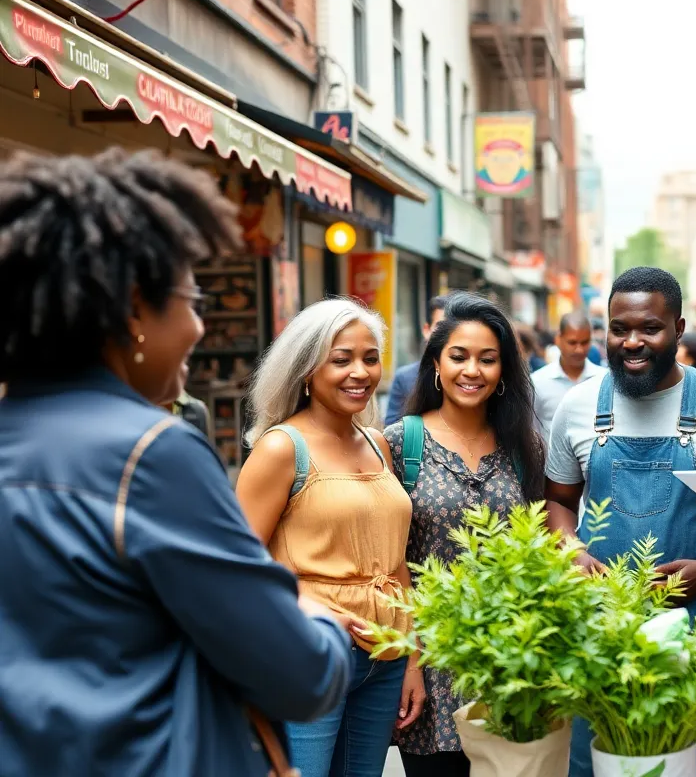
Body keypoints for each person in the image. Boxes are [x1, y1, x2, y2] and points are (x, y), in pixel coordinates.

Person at [0, 149, 353, 777]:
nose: (198, 326)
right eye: (192, 299)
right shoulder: (152, 453)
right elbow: (300, 674)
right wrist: (315, 613)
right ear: (136, 308)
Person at [544, 267, 696, 777]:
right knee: (593, 756)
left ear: (678, 329)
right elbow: (557, 501)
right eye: (619, 329)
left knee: (692, 755)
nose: (631, 342)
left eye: (649, 329)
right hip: (598, 625)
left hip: (695, 623)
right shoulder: (577, 407)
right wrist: (570, 547)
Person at [237, 297, 421, 777]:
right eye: (341, 359)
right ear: (306, 370)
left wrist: (414, 655)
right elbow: (237, 560)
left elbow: (395, 560)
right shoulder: (282, 448)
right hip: (313, 650)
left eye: (369, 357)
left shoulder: (378, 443)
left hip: (387, 654)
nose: (360, 372)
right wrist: (308, 606)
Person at [383, 292, 547, 777]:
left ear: (504, 372)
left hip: (507, 662)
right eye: (458, 356)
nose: (471, 370)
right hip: (430, 663)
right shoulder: (400, 443)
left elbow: (536, 551)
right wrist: (409, 663)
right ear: (436, 363)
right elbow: (391, 564)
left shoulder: (524, 446)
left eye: (487, 359)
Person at [532, 310, 605, 442]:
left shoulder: (603, 380)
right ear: (558, 340)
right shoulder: (538, 382)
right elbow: (531, 430)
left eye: (585, 342)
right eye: (572, 343)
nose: (579, 349)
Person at [385, 295, 449, 425]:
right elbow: (391, 429)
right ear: (427, 330)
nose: (447, 335)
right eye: (441, 327)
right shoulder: (404, 377)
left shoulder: (470, 375)